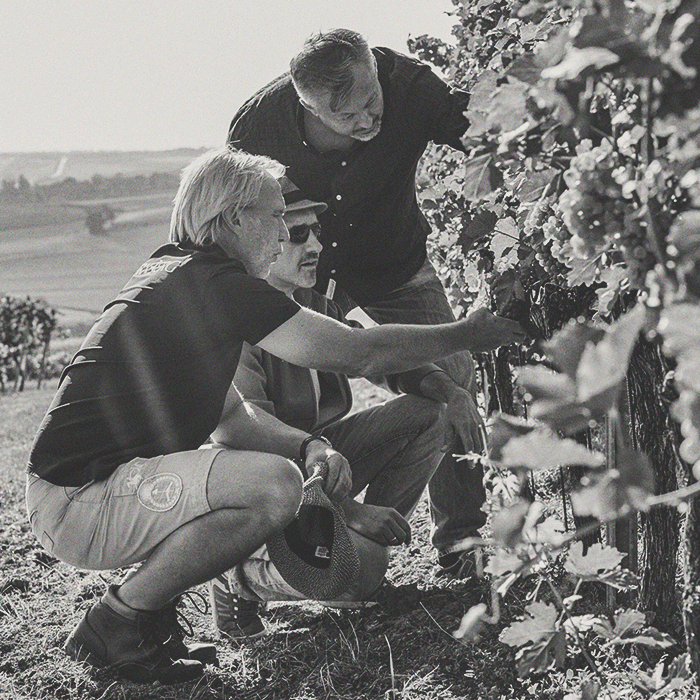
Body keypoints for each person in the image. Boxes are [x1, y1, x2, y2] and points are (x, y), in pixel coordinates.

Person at [25, 146, 524, 685]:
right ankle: (114, 624)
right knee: (273, 485)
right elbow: (359, 353)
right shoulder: (217, 285)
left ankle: (147, 624)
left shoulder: (183, 275)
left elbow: (236, 421)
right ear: (236, 218)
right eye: (276, 216)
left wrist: (308, 446)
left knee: (281, 474)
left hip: (93, 493)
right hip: (79, 499)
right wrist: (466, 334)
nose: (284, 232)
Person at [228, 28, 490, 578]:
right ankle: (310, 526)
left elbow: (488, 136)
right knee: (281, 385)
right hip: (304, 262)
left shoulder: (412, 88)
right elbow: (236, 210)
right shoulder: (258, 127)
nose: (369, 121)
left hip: (392, 259)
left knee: (452, 376)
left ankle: (460, 540)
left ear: (375, 67)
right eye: (346, 117)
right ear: (306, 105)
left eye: (373, 101)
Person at [209, 178, 483, 638]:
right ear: (266, 241)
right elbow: (249, 435)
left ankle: (359, 549)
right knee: (357, 575)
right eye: (298, 234)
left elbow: (387, 358)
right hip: (263, 473)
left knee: (430, 412)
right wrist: (349, 507)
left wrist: (450, 391)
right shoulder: (238, 317)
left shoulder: (324, 300)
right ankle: (236, 580)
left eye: (316, 231)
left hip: (322, 456)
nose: (315, 244)